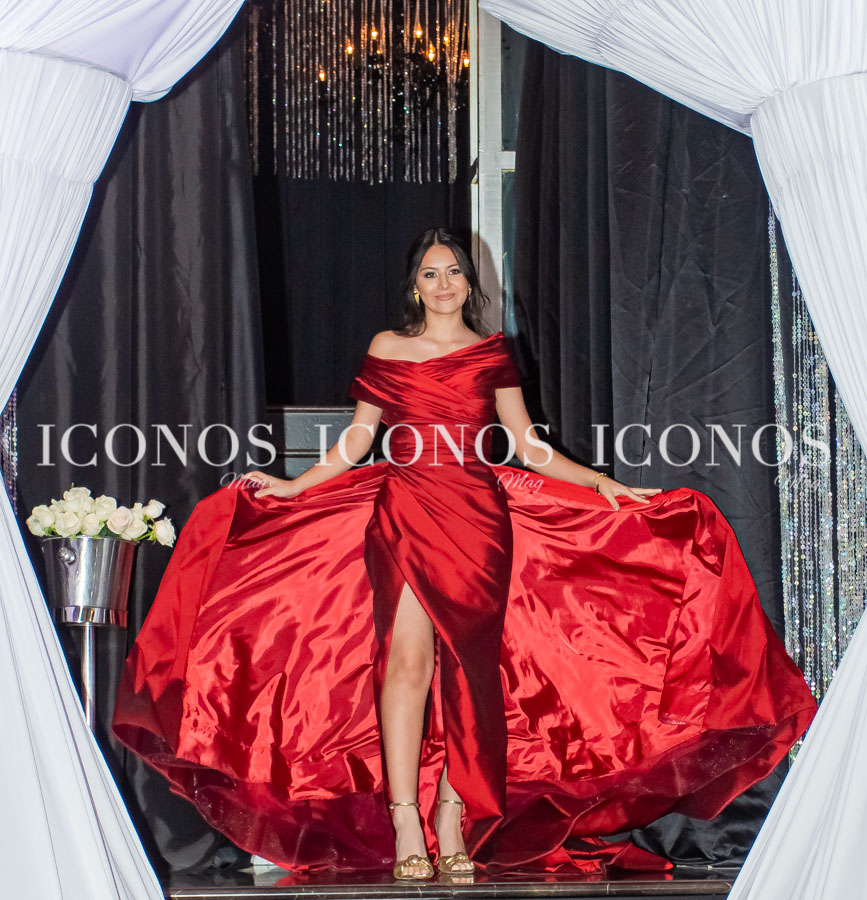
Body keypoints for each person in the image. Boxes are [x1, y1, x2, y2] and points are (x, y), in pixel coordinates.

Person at [113, 228, 817, 881]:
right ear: (414, 286)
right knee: (406, 662)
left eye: (454, 271)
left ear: (469, 283)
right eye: (431, 273)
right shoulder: (388, 347)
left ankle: (452, 815)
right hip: (403, 510)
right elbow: (358, 438)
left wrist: (602, 483)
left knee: (470, 672)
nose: (444, 282)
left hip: (478, 520)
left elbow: (528, 444)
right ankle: (405, 823)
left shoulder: (492, 351)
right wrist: (296, 485)